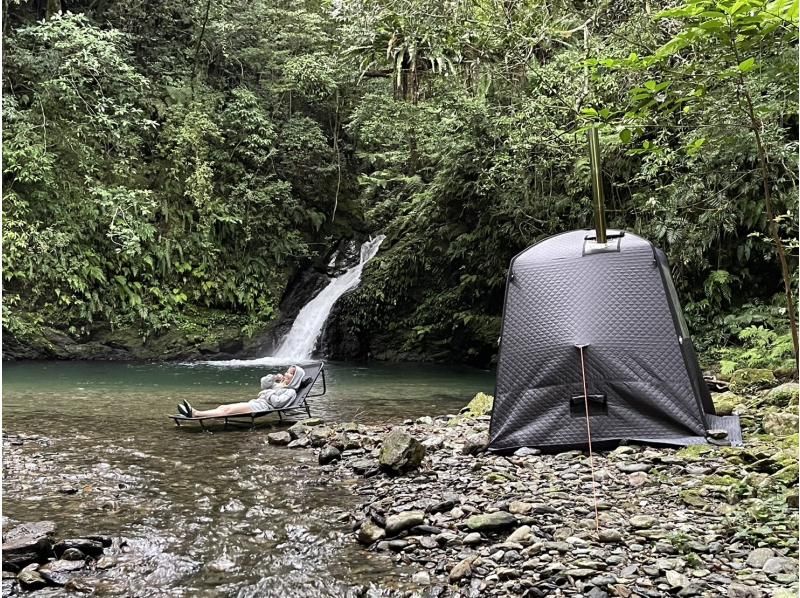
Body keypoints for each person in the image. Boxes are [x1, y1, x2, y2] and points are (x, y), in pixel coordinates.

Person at [177, 365, 305, 418]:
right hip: (256, 403)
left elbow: (277, 403)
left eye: (290, 373)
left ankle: (195, 413)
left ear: (295, 378)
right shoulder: (280, 385)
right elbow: (263, 384)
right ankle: (195, 413)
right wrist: (274, 378)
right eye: (287, 371)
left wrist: (267, 393)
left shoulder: (291, 392)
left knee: (226, 410)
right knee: (224, 407)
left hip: (260, 408)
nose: (286, 374)